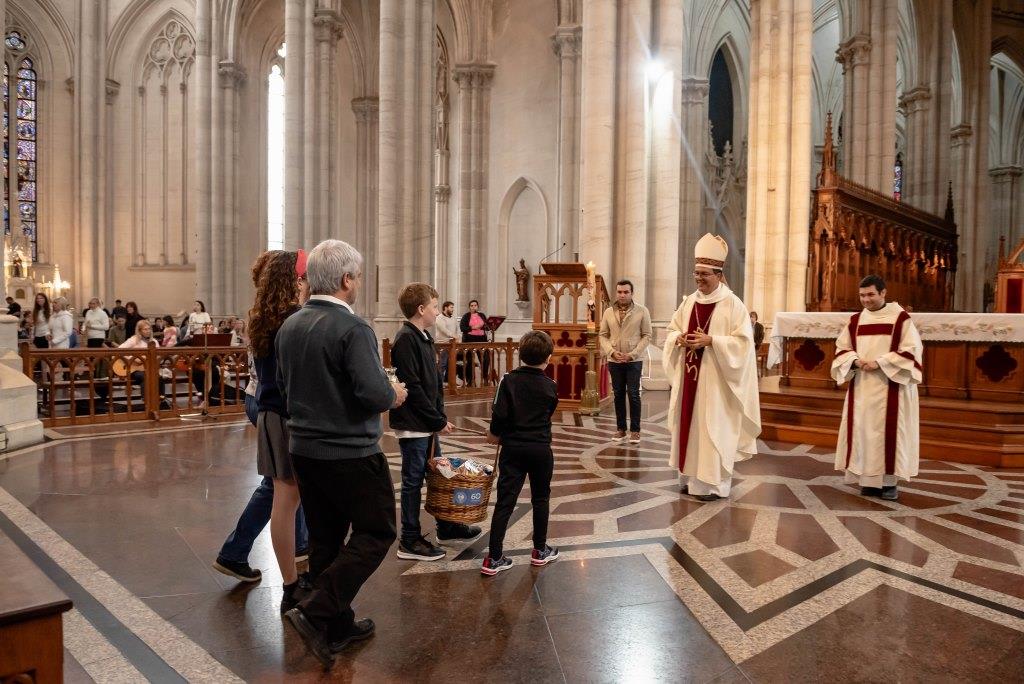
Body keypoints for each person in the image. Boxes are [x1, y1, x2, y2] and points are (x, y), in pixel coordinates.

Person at [278, 239, 407, 667]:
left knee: (326, 539)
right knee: (376, 532)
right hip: (350, 451)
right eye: (358, 276)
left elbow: (285, 386)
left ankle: (338, 626)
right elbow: (373, 394)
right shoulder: (353, 329)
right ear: (347, 279)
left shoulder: (290, 325)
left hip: (305, 449)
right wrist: (395, 392)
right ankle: (316, 613)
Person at [213, 250, 310, 585]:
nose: (306, 281)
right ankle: (296, 553)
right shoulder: (288, 316)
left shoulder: (262, 312)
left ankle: (238, 552)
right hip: (275, 404)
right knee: (285, 485)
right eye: (302, 275)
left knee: (279, 484)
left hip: (259, 400)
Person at [662, 233, 761, 502]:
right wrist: (678, 338)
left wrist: (713, 341)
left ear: (718, 274)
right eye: (696, 274)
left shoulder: (733, 304)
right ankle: (689, 478)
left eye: (704, 274)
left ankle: (711, 485)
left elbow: (743, 344)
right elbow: (671, 330)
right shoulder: (689, 302)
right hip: (689, 379)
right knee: (689, 429)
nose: (698, 279)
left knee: (711, 430)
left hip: (716, 383)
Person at [391, 284, 478, 563]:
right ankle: (409, 538)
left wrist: (438, 419)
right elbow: (413, 388)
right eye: (434, 307)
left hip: (426, 422)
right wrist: (437, 420)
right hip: (415, 424)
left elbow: (432, 385)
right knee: (413, 481)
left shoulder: (423, 336)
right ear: (421, 310)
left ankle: (446, 526)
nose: (437, 312)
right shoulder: (406, 339)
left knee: (439, 475)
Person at [831, 274, 922, 501]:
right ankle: (868, 481)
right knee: (863, 432)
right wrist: (854, 360)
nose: (866, 299)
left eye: (871, 294)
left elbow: (911, 351)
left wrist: (880, 362)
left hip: (892, 386)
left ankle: (890, 483)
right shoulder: (855, 320)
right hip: (862, 385)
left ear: (883, 293)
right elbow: (842, 348)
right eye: (862, 295)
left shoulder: (901, 319)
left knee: (890, 434)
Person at [481, 330, 560, 576]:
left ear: (520, 354)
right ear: (548, 357)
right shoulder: (550, 386)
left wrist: (494, 433)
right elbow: (547, 412)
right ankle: (539, 550)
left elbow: (499, 414)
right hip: (540, 449)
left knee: (505, 501)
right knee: (541, 499)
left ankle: (493, 557)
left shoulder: (508, 381)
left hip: (513, 449)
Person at [599, 279, 652, 444]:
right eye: (620, 292)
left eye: (626, 292)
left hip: (633, 360)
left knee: (634, 394)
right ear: (617, 292)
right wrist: (611, 352)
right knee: (618, 394)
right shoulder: (608, 312)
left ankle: (635, 430)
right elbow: (602, 334)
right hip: (614, 359)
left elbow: (647, 335)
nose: (622, 295)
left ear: (631, 293)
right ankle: (621, 429)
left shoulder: (642, 311)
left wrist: (633, 354)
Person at [459, 299, 490, 384]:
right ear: (469, 307)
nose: (473, 307)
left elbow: (487, 327)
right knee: (470, 361)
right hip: (469, 341)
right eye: (471, 306)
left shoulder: (482, 315)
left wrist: (486, 326)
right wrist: (473, 327)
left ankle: (485, 378)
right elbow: (462, 328)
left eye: (475, 305)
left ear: (477, 306)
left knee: (485, 360)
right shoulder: (466, 316)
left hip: (482, 341)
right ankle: (470, 380)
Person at [434, 300, 458, 384]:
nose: (452, 309)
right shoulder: (439, 317)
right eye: (451, 307)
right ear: (445, 308)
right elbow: (443, 330)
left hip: (452, 345)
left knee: (451, 364)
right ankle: (439, 383)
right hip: (442, 344)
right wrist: (453, 335)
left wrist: (457, 336)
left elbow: (456, 329)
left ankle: (450, 383)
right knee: (442, 364)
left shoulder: (453, 318)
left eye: (453, 308)